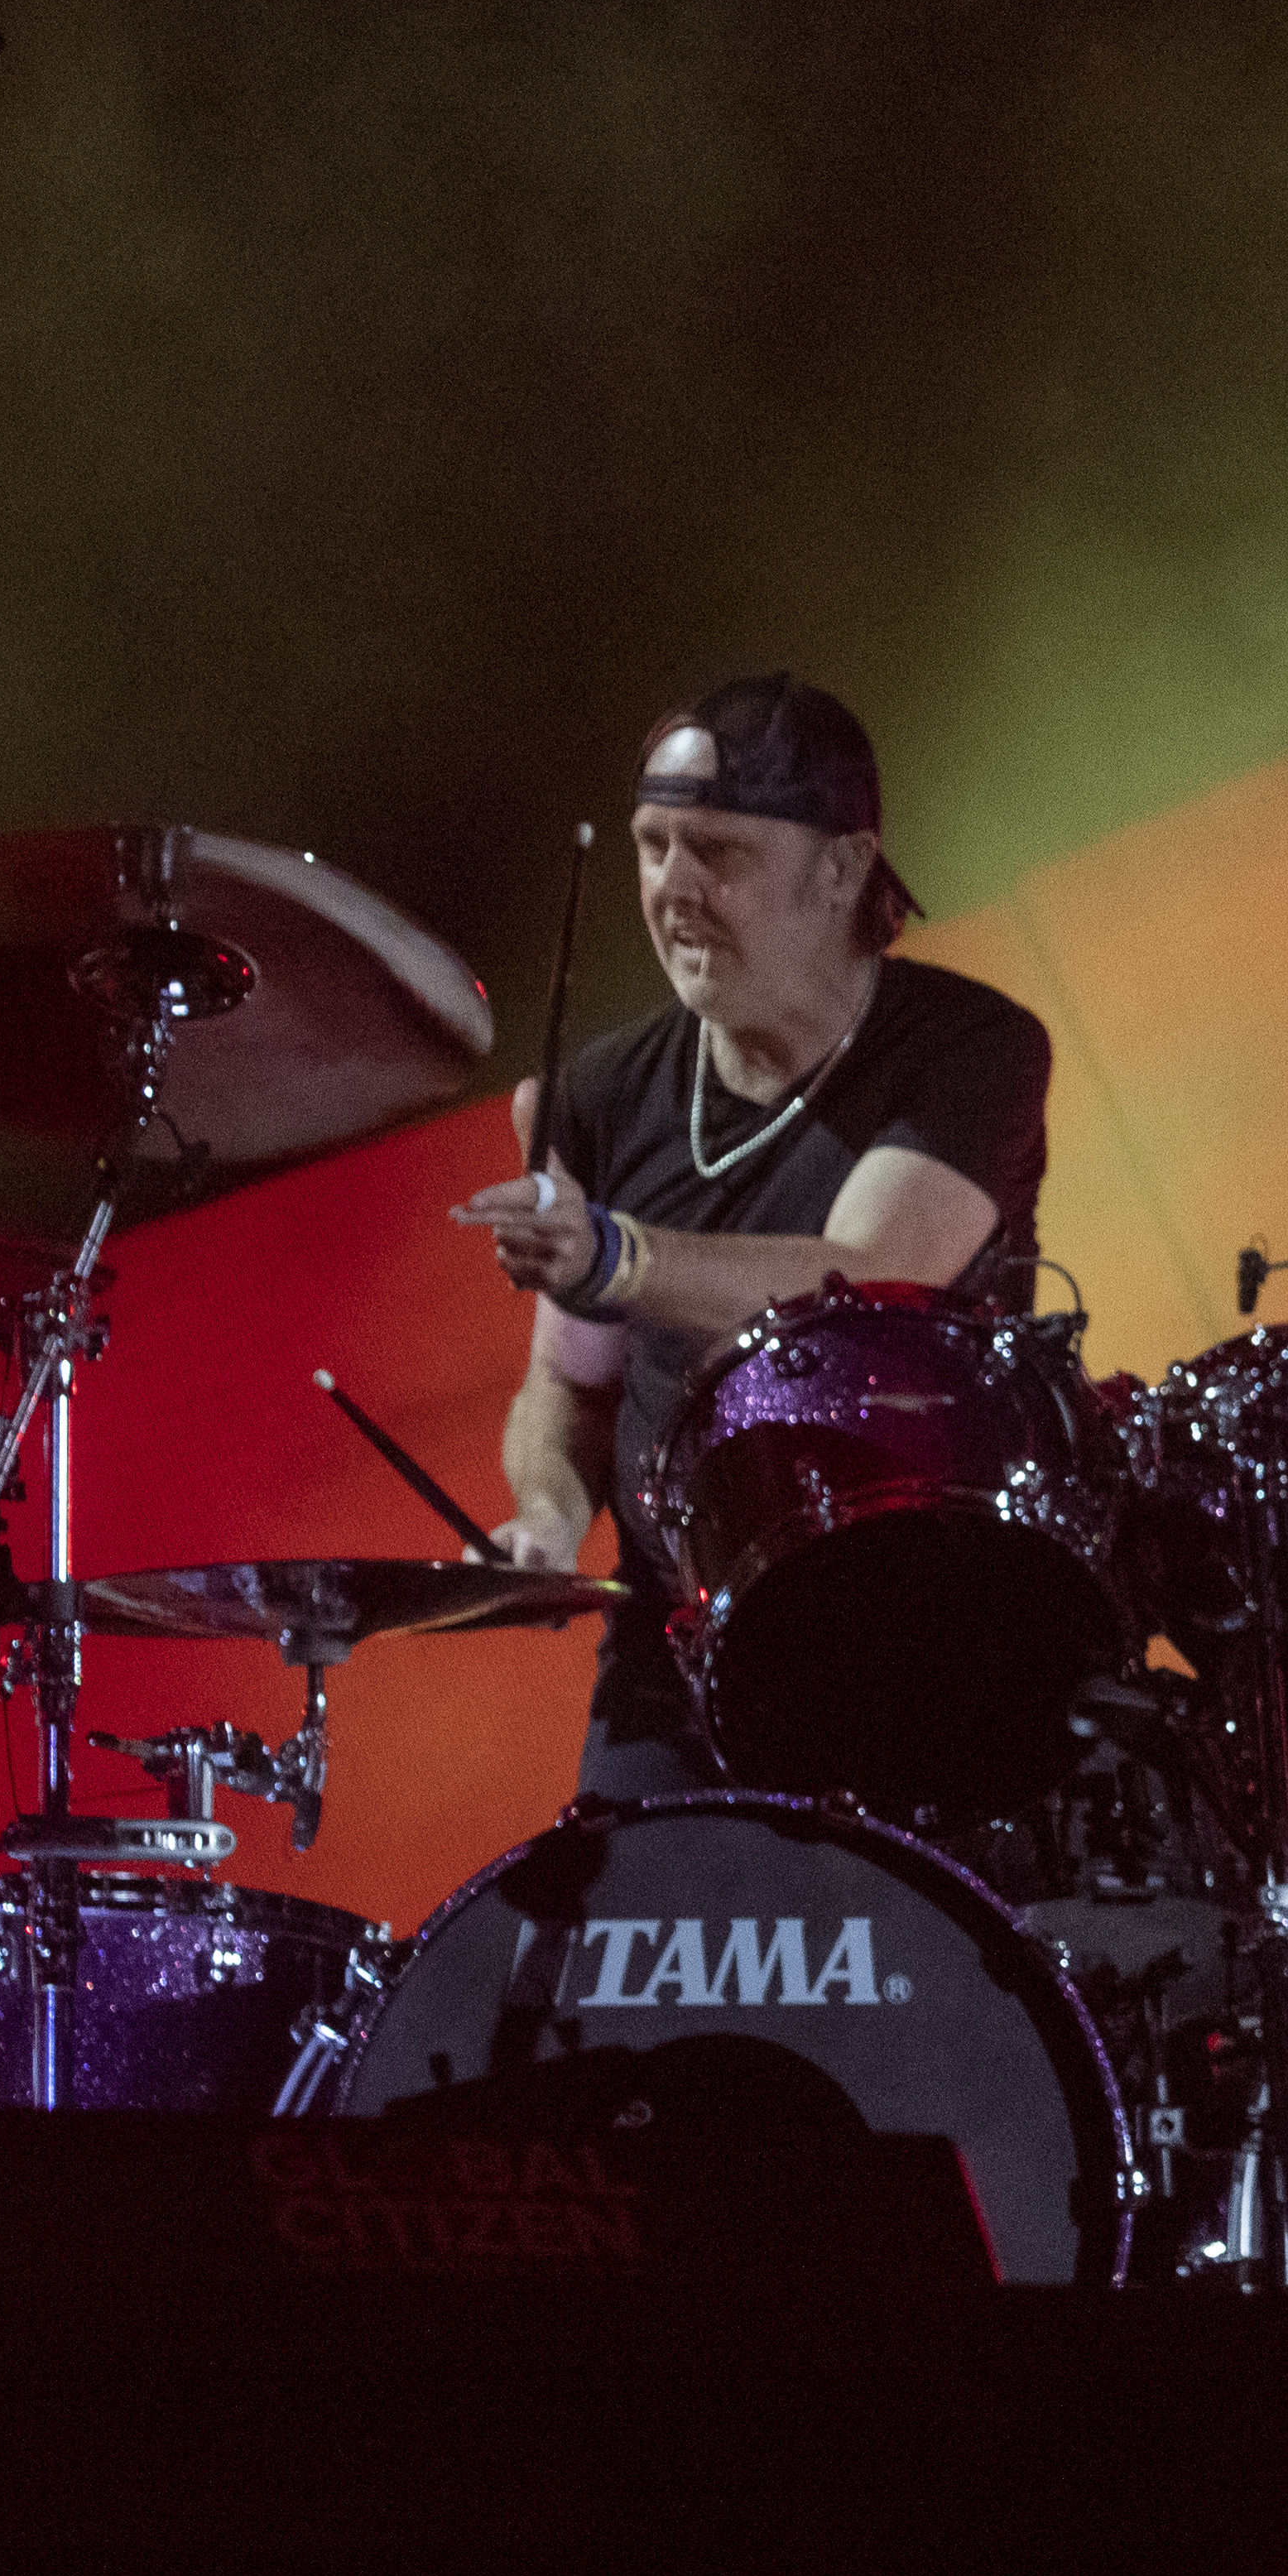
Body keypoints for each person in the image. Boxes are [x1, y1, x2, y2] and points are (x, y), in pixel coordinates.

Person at [454, 672, 1052, 1800]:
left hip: (929, 1632)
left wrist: (618, 1255)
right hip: (677, 1648)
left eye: (717, 852)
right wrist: (546, 1515)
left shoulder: (969, 1049)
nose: (671, 888)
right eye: (650, 845)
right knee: (622, 1963)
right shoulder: (604, 1093)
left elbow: (876, 1272)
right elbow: (571, 1388)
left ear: (841, 867)